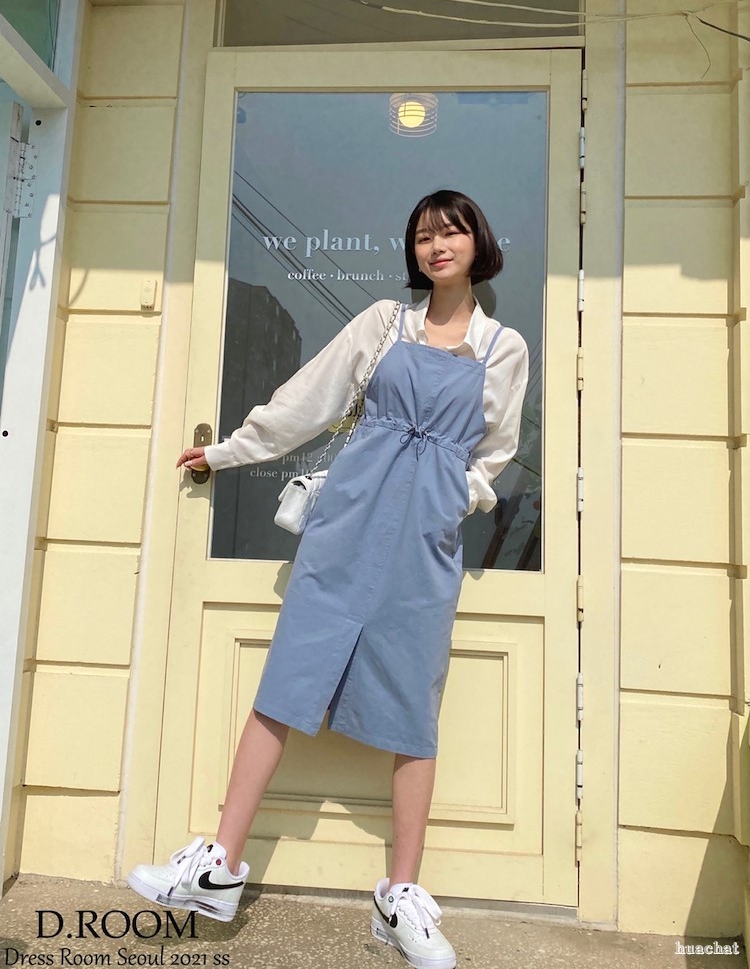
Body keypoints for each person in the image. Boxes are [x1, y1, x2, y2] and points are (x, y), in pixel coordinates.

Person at [127, 189, 530, 969]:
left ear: (477, 243)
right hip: (347, 524)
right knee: (287, 680)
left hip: (423, 544)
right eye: (423, 235)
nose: (437, 245)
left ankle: (400, 898)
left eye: (451, 232)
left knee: (412, 707)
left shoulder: (502, 347)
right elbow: (307, 401)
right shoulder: (383, 324)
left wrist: (455, 497)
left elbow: (498, 450)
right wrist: (229, 451)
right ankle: (219, 867)